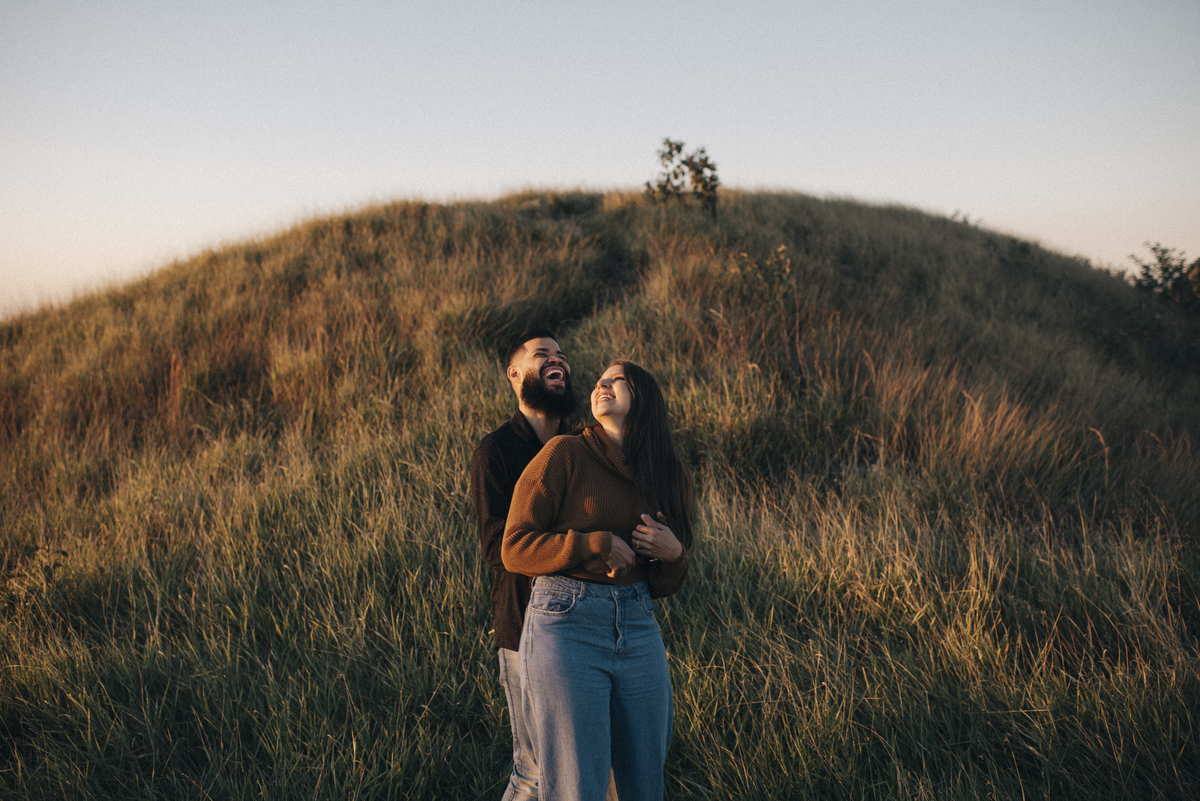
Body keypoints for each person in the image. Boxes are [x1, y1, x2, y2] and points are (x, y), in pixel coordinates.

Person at [502, 360, 693, 801]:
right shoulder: (565, 454)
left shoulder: (667, 474)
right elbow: (514, 547)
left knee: (644, 784)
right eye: (600, 380)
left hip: (638, 624)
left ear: (643, 397)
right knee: (577, 787)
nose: (603, 384)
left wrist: (673, 554)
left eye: (617, 379)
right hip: (566, 622)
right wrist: (594, 543)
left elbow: (665, 584)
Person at [470, 329, 575, 801]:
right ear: (515, 374)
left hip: (589, 622)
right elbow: (497, 547)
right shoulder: (496, 451)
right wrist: (581, 547)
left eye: (561, 355)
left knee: (600, 763)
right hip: (525, 627)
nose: (557, 360)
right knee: (534, 771)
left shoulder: (583, 444)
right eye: (542, 354)